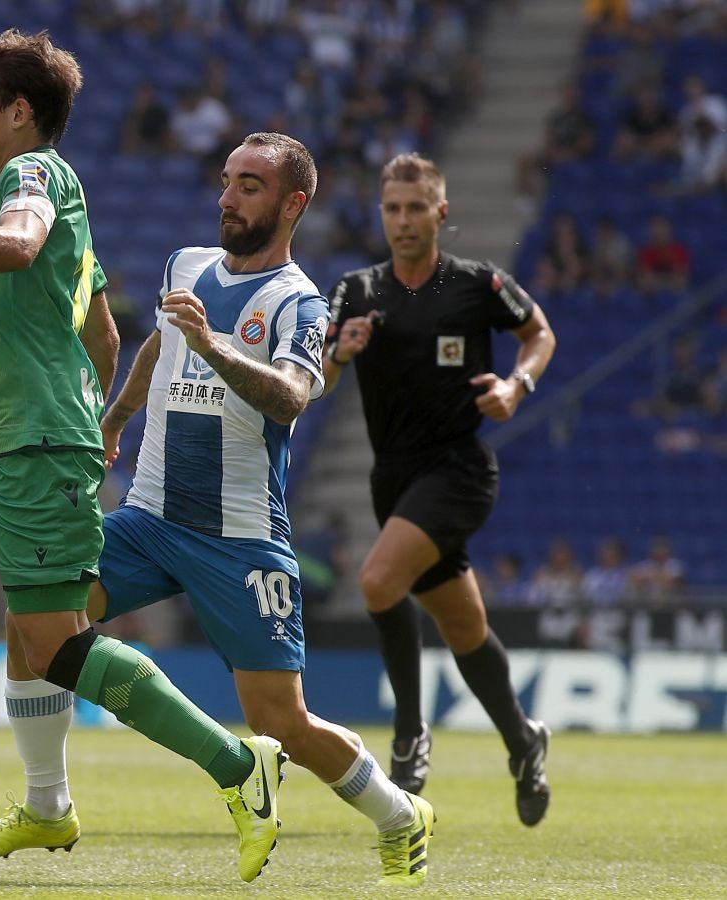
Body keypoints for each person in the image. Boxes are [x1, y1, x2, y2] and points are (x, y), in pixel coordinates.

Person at [0, 30, 286, 883]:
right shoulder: (68, 199)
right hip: (1, 445)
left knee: (55, 647)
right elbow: (103, 328)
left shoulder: (31, 178)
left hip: (35, 449)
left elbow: (21, 243)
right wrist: (97, 420)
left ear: (19, 110)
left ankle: (236, 764)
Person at [0, 133, 434, 888]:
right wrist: (115, 419)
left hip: (239, 540)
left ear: (292, 204)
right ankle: (47, 804)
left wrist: (212, 345)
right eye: (227, 181)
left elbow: (292, 395)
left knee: (282, 723)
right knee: (33, 622)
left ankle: (400, 814)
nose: (228, 197)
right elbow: (157, 347)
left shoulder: (297, 303)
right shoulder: (186, 265)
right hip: (149, 520)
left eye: (250, 186)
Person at [322, 153, 557, 826]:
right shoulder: (356, 293)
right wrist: (340, 353)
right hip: (391, 478)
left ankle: (408, 731)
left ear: (440, 213)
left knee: (375, 582)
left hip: (458, 471)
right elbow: (319, 380)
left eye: (415, 208)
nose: (402, 220)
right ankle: (523, 739)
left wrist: (518, 384)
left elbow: (539, 332)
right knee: (463, 627)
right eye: (391, 208)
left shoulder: (478, 285)